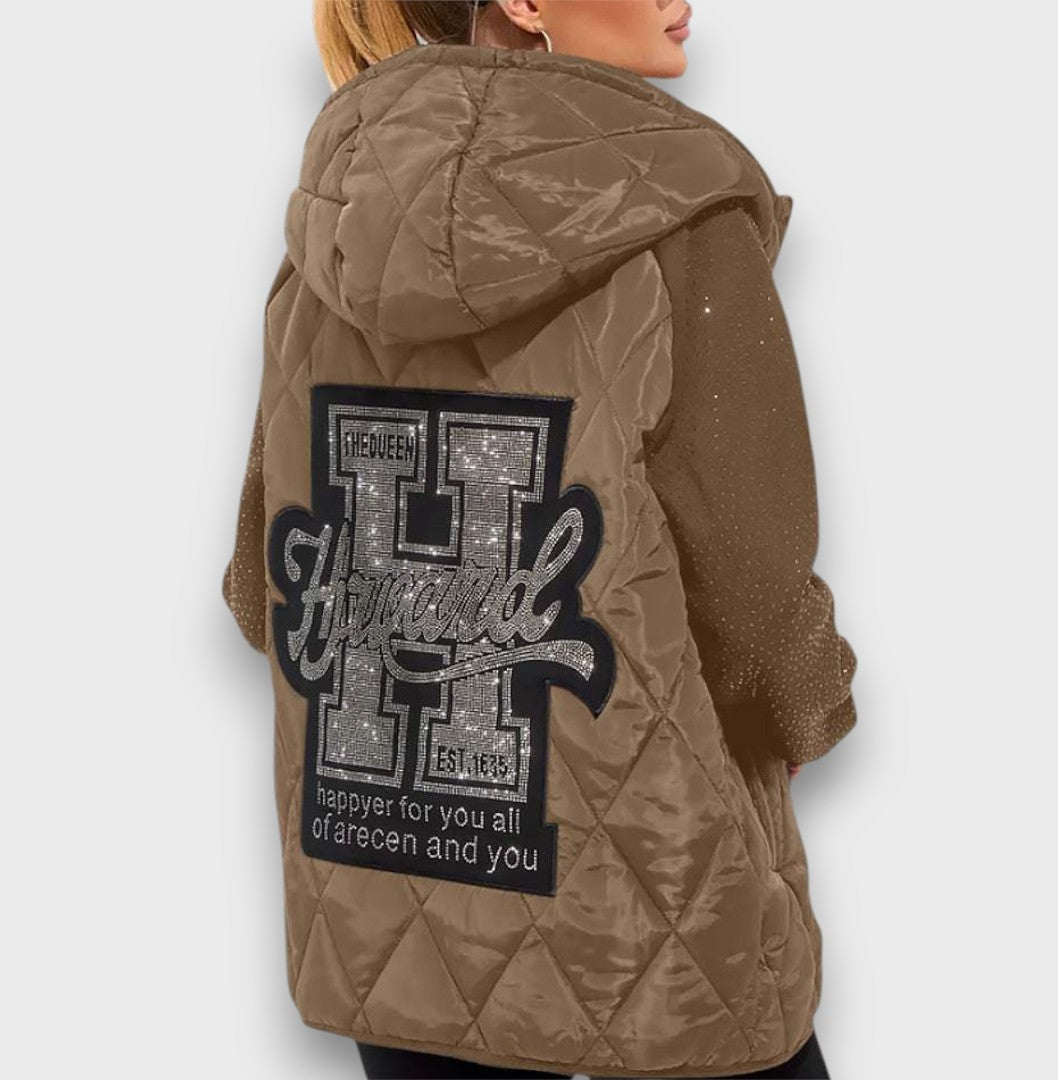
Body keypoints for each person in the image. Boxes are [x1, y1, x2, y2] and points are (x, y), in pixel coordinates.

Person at [221, 2, 857, 1077]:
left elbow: (261, 587)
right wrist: (809, 703)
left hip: (391, 904)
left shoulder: (329, 225)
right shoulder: (680, 219)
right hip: (646, 918)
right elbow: (757, 604)